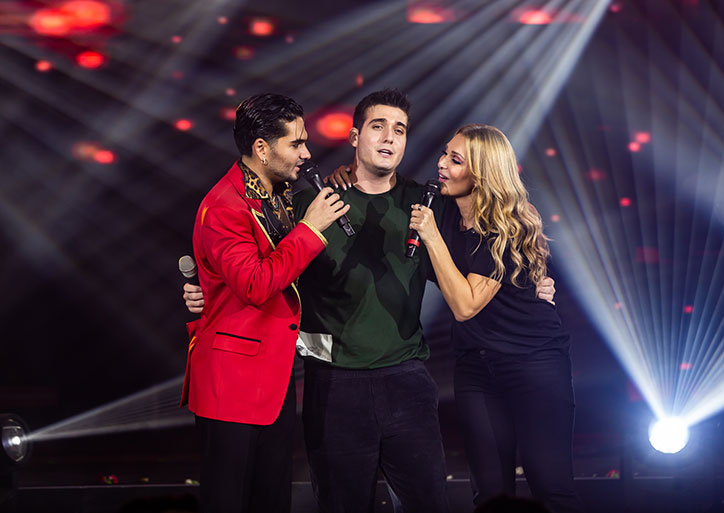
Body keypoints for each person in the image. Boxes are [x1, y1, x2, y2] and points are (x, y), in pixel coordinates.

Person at [183, 89, 556, 513]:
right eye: (378, 126)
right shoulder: (307, 204)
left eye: (400, 129)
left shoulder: (429, 205)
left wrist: (536, 283)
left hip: (408, 381)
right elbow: (261, 270)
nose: (389, 137)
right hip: (332, 384)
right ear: (355, 136)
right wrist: (204, 291)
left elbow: (487, 253)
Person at [181, 92, 350, 513]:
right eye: (296, 143)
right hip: (233, 383)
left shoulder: (279, 193)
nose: (306, 153)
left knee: (272, 501)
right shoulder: (224, 206)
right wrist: (310, 229)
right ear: (261, 148)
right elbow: (255, 284)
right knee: (230, 501)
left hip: (274, 378)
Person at [407, 124, 584, 512]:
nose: (442, 165)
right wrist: (345, 173)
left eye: (456, 160)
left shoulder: (508, 223)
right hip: (476, 366)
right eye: (445, 153)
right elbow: (388, 187)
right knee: (489, 493)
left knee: (550, 487)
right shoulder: (442, 207)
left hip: (533, 363)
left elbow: (465, 306)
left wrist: (432, 237)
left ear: (482, 172)